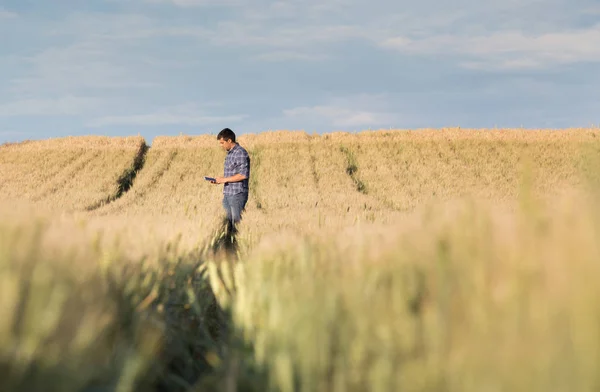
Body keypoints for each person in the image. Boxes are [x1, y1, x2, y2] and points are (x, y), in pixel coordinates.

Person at [211, 128, 250, 227]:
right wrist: (219, 180)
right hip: (228, 193)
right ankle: (229, 242)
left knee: (236, 225)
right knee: (228, 225)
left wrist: (224, 180)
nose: (221, 145)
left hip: (237, 194)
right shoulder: (230, 154)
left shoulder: (240, 153)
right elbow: (232, 174)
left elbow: (243, 175)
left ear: (229, 140)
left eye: (222, 143)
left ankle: (236, 242)